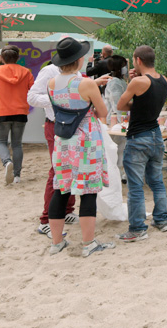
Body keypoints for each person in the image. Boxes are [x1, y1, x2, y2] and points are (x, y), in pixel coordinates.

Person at [46, 37, 114, 257]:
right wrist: (94, 90)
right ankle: (88, 243)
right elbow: (102, 112)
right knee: (88, 190)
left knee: (61, 188)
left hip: (64, 141)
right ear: (79, 59)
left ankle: (56, 242)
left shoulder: (52, 83)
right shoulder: (86, 83)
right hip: (86, 140)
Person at [116, 45, 167, 242]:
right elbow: (147, 103)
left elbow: (121, 105)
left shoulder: (138, 82)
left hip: (139, 137)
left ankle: (138, 228)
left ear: (138, 60)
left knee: (136, 186)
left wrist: (132, 82)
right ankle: (161, 220)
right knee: (156, 181)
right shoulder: (164, 79)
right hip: (156, 136)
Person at [27, 61, 77, 238]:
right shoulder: (49, 71)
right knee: (57, 171)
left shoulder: (77, 73)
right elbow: (32, 97)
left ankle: (68, 210)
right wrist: (55, 99)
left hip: (73, 126)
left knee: (71, 169)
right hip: (55, 125)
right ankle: (46, 220)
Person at [0, 45, 35, 185]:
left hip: (1, 112)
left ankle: (7, 162)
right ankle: (17, 175)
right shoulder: (26, 72)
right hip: (20, 112)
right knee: (17, 144)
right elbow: (33, 91)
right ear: (17, 58)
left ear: (3, 58)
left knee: (0, 142)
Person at [102, 55, 129, 181]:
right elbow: (117, 104)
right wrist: (123, 122)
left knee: (121, 147)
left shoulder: (120, 81)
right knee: (117, 148)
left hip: (119, 120)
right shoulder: (114, 83)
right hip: (114, 122)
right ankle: (117, 174)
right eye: (124, 65)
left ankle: (121, 174)